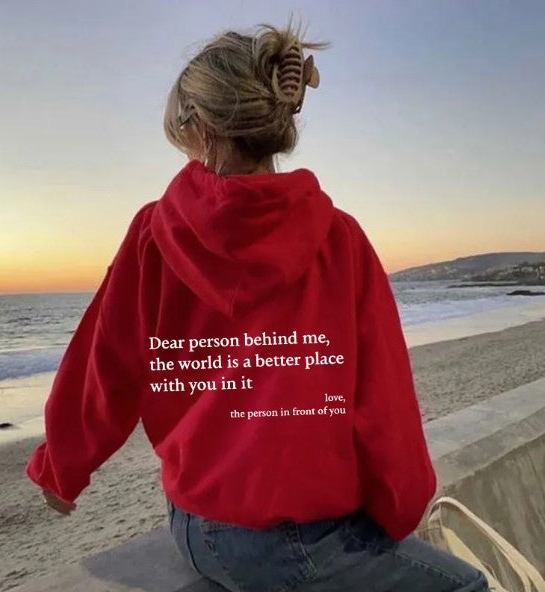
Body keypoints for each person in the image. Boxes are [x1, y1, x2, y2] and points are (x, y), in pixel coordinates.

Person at [26, 20, 491, 592]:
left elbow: (108, 366)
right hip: (303, 539)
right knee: (467, 585)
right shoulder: (339, 238)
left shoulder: (154, 233)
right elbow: (382, 396)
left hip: (197, 529)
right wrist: (401, 508)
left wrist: (61, 469)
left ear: (199, 127)